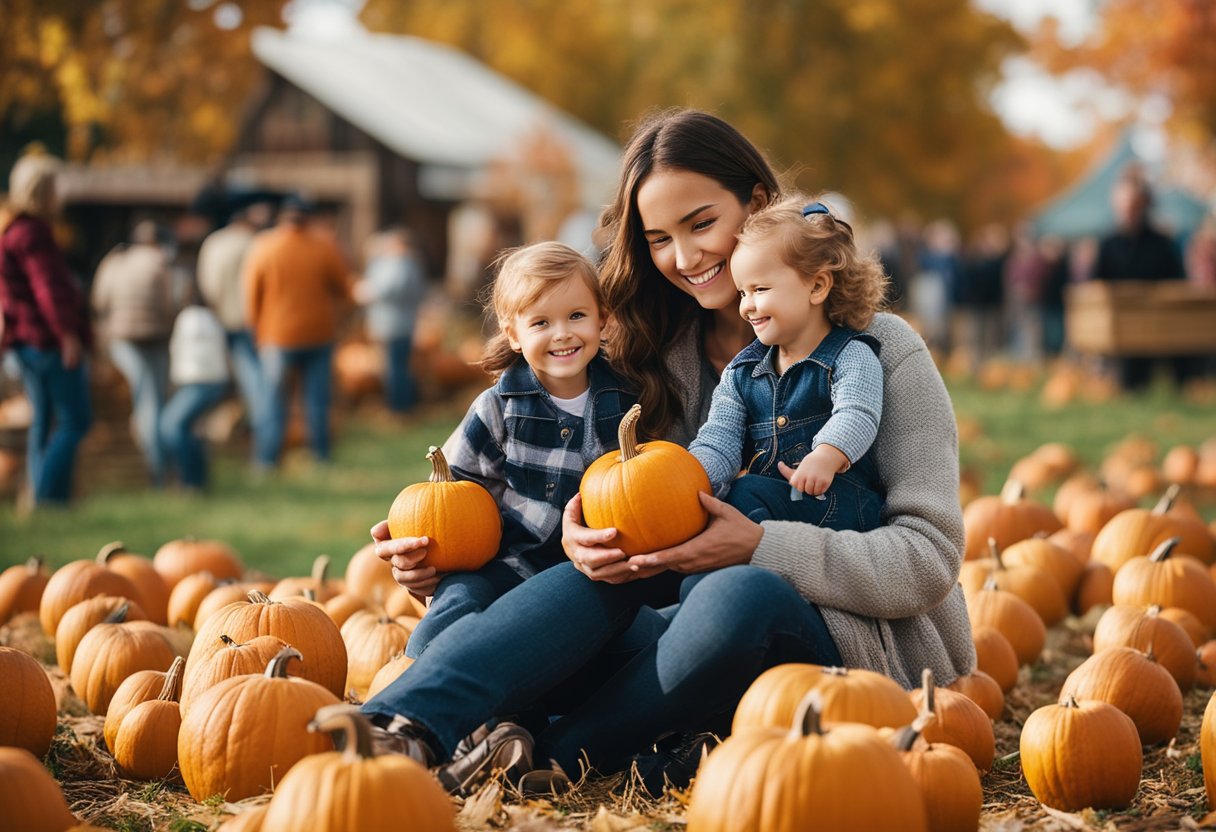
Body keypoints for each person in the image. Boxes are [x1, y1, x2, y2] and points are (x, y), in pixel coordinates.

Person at [362, 108, 971, 796]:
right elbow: (606, 505)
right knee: (597, 573)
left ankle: (551, 756)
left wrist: (760, 546)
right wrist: (554, 535)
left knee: (739, 595)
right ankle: (400, 725)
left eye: (702, 223)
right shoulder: (649, 360)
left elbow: (929, 559)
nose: (684, 258)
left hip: (840, 655)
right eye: (658, 239)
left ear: (759, 205)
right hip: (680, 638)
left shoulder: (879, 350)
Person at [400, 241, 636, 660]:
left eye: (576, 316)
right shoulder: (499, 407)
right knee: (455, 604)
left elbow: (643, 487)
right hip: (507, 564)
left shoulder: (626, 401)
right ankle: (422, 678)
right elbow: (454, 495)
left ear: (603, 320)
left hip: (587, 576)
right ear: (513, 334)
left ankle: (519, 714)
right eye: (541, 322)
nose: (561, 333)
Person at [687, 195, 887, 532]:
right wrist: (686, 481)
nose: (747, 306)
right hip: (775, 504)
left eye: (760, 289)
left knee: (745, 493)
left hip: (838, 506)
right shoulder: (742, 373)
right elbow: (718, 439)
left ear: (817, 285)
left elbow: (857, 411)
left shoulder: (850, 355)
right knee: (728, 501)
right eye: (742, 293)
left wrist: (826, 454)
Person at [0, 154, 93, 505]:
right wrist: (67, 334)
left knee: (44, 420)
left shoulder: (10, 229)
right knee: (76, 421)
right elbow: (48, 290)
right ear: (44, 191)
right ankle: (45, 496)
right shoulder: (34, 234)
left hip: (24, 342)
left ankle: (42, 497)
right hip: (47, 341)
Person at [243, 196, 351, 468]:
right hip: (318, 334)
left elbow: (252, 293)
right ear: (308, 219)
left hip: (276, 336)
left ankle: (267, 460)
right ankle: (321, 456)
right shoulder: (324, 245)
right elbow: (344, 288)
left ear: (281, 219)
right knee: (317, 401)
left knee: (272, 400)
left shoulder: (264, 246)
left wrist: (256, 330)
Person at [91, 220, 177, 486]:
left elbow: (98, 301)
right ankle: (158, 472)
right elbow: (167, 304)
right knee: (153, 404)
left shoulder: (114, 262)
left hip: (121, 340)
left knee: (143, 402)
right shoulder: (159, 262)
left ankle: (153, 469)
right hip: (154, 339)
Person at [1093, 168, 1188, 390]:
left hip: (1158, 328)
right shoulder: (1108, 245)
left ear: (1144, 205)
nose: (1128, 212)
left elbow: (1178, 283)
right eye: (1124, 206)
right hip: (1121, 332)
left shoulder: (1162, 243)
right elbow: (1098, 284)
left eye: (1134, 205)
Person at [196, 202, 272, 454]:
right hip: (248, 324)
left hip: (218, 322)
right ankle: (262, 448)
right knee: (256, 386)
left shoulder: (213, 243)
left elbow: (207, 284)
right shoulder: (255, 244)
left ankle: (209, 445)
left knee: (211, 382)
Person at [159, 288, 229, 491]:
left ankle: (190, 480)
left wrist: (175, 382)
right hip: (216, 380)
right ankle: (198, 478)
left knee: (170, 426)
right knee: (189, 430)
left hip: (196, 381)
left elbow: (178, 351)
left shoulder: (186, 319)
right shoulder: (214, 319)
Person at [353, 228, 428, 413]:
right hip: (389, 324)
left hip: (396, 325)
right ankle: (403, 403)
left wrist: (366, 291)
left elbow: (387, 289)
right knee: (394, 366)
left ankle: (400, 407)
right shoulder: (400, 264)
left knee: (396, 368)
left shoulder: (403, 265)